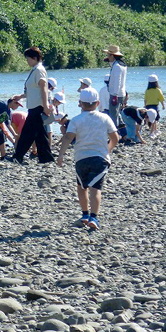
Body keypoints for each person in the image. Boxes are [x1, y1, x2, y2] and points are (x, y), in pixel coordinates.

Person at [57, 87, 119, 231]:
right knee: (95, 189)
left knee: (81, 187)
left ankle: (85, 214)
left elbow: (68, 137)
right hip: (100, 158)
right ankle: (94, 217)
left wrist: (61, 155)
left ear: (80, 103)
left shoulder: (76, 120)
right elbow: (115, 137)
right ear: (98, 103)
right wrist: (108, 149)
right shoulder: (105, 118)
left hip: (81, 158)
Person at [11, 46, 54, 164]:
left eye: (28, 59)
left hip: (38, 107)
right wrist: (21, 96)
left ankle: (18, 156)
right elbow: (33, 90)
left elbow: (43, 88)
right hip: (34, 106)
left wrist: (45, 105)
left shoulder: (39, 70)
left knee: (28, 133)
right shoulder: (35, 70)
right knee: (39, 134)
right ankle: (46, 158)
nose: (27, 61)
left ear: (35, 58)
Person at [104, 44, 127, 128]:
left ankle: (114, 132)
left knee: (113, 115)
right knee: (116, 114)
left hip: (116, 94)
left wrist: (115, 95)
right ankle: (118, 128)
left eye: (108, 55)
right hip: (121, 93)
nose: (107, 56)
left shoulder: (117, 66)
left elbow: (117, 81)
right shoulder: (121, 64)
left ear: (112, 55)